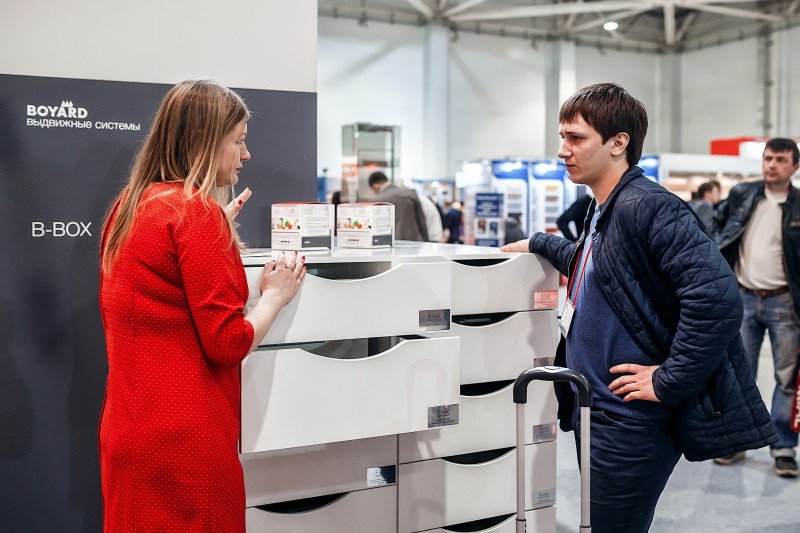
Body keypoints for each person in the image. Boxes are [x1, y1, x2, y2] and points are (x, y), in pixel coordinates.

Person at [502, 82, 776, 532]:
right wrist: (538, 243)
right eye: (562, 137)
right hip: (598, 408)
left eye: (576, 138)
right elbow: (602, 270)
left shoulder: (648, 206)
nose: (562, 150)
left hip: (630, 420)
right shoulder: (605, 207)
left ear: (618, 143)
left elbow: (717, 300)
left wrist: (668, 380)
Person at [98, 80, 307, 532]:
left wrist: (214, 232)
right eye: (239, 140)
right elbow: (228, 342)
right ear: (204, 141)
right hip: (186, 439)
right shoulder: (194, 214)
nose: (246, 154)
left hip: (129, 426)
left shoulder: (130, 205)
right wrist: (274, 296)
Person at [711, 138, 800, 477]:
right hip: (743, 298)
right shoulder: (743, 194)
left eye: (780, 159)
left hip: (784, 302)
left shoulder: (798, 204)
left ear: (795, 166)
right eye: (768, 158)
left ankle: (783, 447)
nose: (772, 164)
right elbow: (715, 225)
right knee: (738, 374)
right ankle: (737, 441)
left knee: (786, 378)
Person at [368, 171, 429, 241]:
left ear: (375, 186)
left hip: (392, 242)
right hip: (416, 241)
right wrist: (426, 241)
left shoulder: (377, 200)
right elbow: (421, 221)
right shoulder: (411, 193)